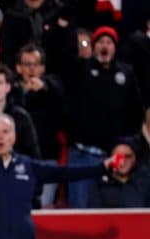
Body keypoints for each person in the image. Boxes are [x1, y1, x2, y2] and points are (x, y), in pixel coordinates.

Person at [65, 26, 144, 208]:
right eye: (100, 42)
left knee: (115, 211)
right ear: (93, 47)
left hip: (115, 157)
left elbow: (135, 113)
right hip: (83, 155)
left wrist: (125, 145)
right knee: (81, 211)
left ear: (115, 47)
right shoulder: (80, 69)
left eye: (109, 42)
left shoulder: (126, 74)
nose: (105, 46)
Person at [11, 43, 67, 208]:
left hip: (46, 159)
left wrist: (45, 87)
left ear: (42, 68)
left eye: (36, 64)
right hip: (18, 160)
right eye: (27, 64)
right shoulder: (11, 91)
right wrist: (24, 94)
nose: (32, 69)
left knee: (43, 208)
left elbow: (63, 101)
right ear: (18, 68)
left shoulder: (52, 88)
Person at [88, 140, 150, 208]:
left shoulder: (145, 184)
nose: (123, 161)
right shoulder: (100, 185)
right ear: (110, 159)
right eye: (118, 157)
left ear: (134, 159)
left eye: (128, 156)